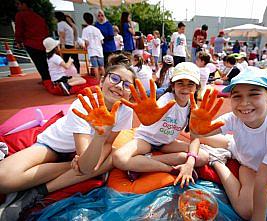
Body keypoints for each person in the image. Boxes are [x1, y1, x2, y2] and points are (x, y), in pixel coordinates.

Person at [0, 55, 136, 220]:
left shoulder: (125, 111)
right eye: (115, 78)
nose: (120, 86)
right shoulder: (83, 104)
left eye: (127, 84)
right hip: (53, 146)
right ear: (101, 81)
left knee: (114, 158)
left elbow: (108, 143)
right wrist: (90, 164)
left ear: (130, 93)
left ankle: (38, 192)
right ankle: (69, 167)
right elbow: (85, 166)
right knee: (3, 179)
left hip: (83, 152)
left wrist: (98, 151)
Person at [191, 68, 267, 220]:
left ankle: (217, 161)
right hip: (236, 148)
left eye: (254, 94)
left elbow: (263, 181)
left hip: (255, 169)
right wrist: (196, 128)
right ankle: (223, 153)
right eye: (237, 96)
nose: (244, 103)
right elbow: (196, 134)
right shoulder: (233, 118)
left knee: (246, 211)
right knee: (200, 138)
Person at [113, 62, 210, 186]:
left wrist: (190, 163)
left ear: (196, 87)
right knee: (119, 158)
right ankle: (171, 169)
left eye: (190, 84)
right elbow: (157, 108)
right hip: (146, 140)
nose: (185, 88)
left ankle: (145, 162)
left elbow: (195, 137)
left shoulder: (192, 107)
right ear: (173, 86)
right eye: (180, 83)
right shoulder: (166, 100)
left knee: (203, 156)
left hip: (166, 143)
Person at [15, 0, 50, 81]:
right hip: (43, 43)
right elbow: (46, 30)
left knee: (39, 63)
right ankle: (50, 78)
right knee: (45, 62)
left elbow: (19, 30)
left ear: (24, 4)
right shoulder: (38, 16)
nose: (17, 6)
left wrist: (18, 41)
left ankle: (46, 80)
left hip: (31, 43)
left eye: (18, 4)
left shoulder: (20, 15)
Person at [81, 12, 105, 81]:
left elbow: (86, 42)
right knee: (102, 66)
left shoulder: (85, 30)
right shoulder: (97, 29)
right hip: (99, 50)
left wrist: (85, 46)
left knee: (95, 67)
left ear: (85, 20)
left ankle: (98, 81)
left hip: (92, 51)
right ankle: (104, 80)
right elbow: (102, 41)